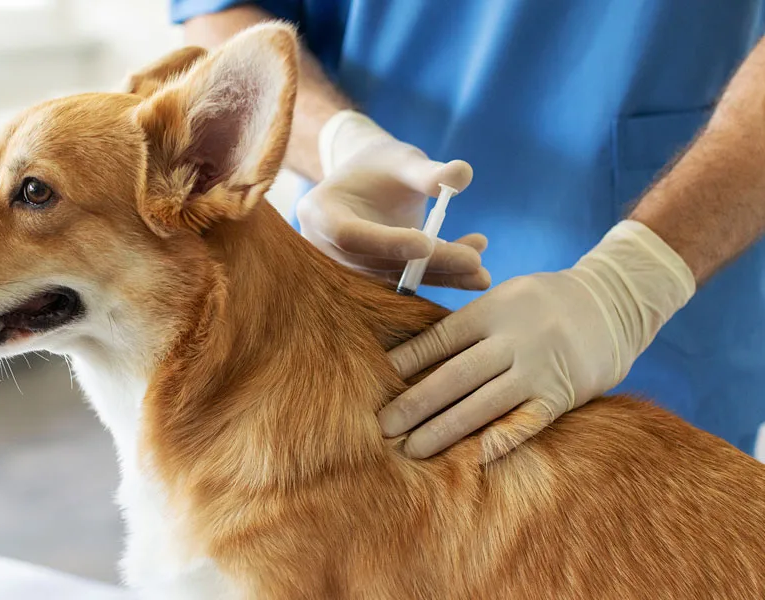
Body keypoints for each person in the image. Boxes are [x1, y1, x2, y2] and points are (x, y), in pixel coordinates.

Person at [173, 1, 765, 458]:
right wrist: (339, 143)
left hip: (672, 296)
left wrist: (631, 285)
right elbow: (221, 17)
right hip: (364, 292)